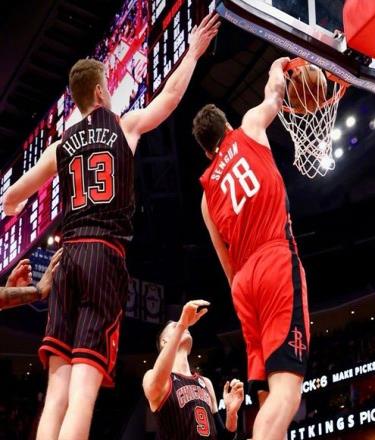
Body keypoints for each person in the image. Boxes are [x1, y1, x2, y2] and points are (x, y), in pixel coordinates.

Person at [2, 12, 220, 440]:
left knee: (57, 393)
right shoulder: (124, 126)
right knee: (83, 394)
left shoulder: (60, 145)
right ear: (102, 91)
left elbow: (11, 199)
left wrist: (21, 201)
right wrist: (193, 52)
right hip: (104, 256)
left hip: (67, 259)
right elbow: (169, 99)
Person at [192, 57, 310, 440]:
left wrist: (244, 288)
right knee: (288, 391)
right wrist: (278, 65)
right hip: (274, 258)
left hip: (243, 282)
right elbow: (275, 94)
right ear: (227, 127)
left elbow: (224, 261)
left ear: (207, 152)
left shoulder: (206, 198)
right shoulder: (249, 128)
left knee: (267, 397)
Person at [143, 300, 244, 439]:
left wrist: (231, 414)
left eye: (185, 326)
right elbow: (154, 386)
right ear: (164, 342)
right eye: (176, 326)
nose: (185, 326)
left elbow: (223, 438)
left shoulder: (206, 382)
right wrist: (181, 325)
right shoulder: (152, 377)